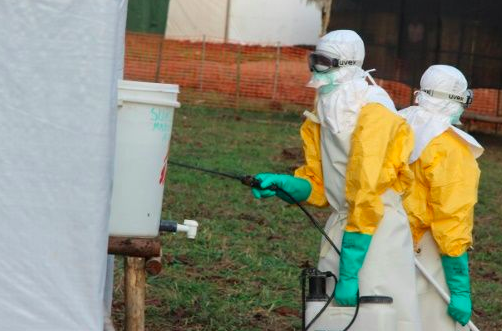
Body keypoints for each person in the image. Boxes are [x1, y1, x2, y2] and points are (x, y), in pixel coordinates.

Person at [251, 30, 421, 331]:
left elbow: (366, 191)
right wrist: (287, 185)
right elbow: (319, 181)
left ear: (347, 64)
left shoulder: (374, 111)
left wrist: (351, 270)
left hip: (376, 230)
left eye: (323, 62)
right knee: (332, 316)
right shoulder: (325, 108)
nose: (315, 69)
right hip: (344, 224)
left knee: (375, 314)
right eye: (313, 60)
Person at [399, 64, 483, 330]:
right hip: (426, 251)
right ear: (456, 100)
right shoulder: (450, 148)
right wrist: (459, 288)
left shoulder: (395, 124)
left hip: (384, 240)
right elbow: (452, 218)